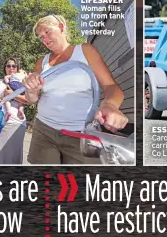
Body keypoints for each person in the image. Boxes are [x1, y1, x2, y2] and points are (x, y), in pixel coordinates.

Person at [23, 14, 128, 164]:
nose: (44, 39)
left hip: (80, 133)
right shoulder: (42, 62)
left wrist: (110, 105)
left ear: (61, 27)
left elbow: (111, 87)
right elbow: (32, 99)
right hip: (44, 130)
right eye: (40, 37)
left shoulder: (85, 51)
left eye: (47, 32)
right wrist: (31, 90)